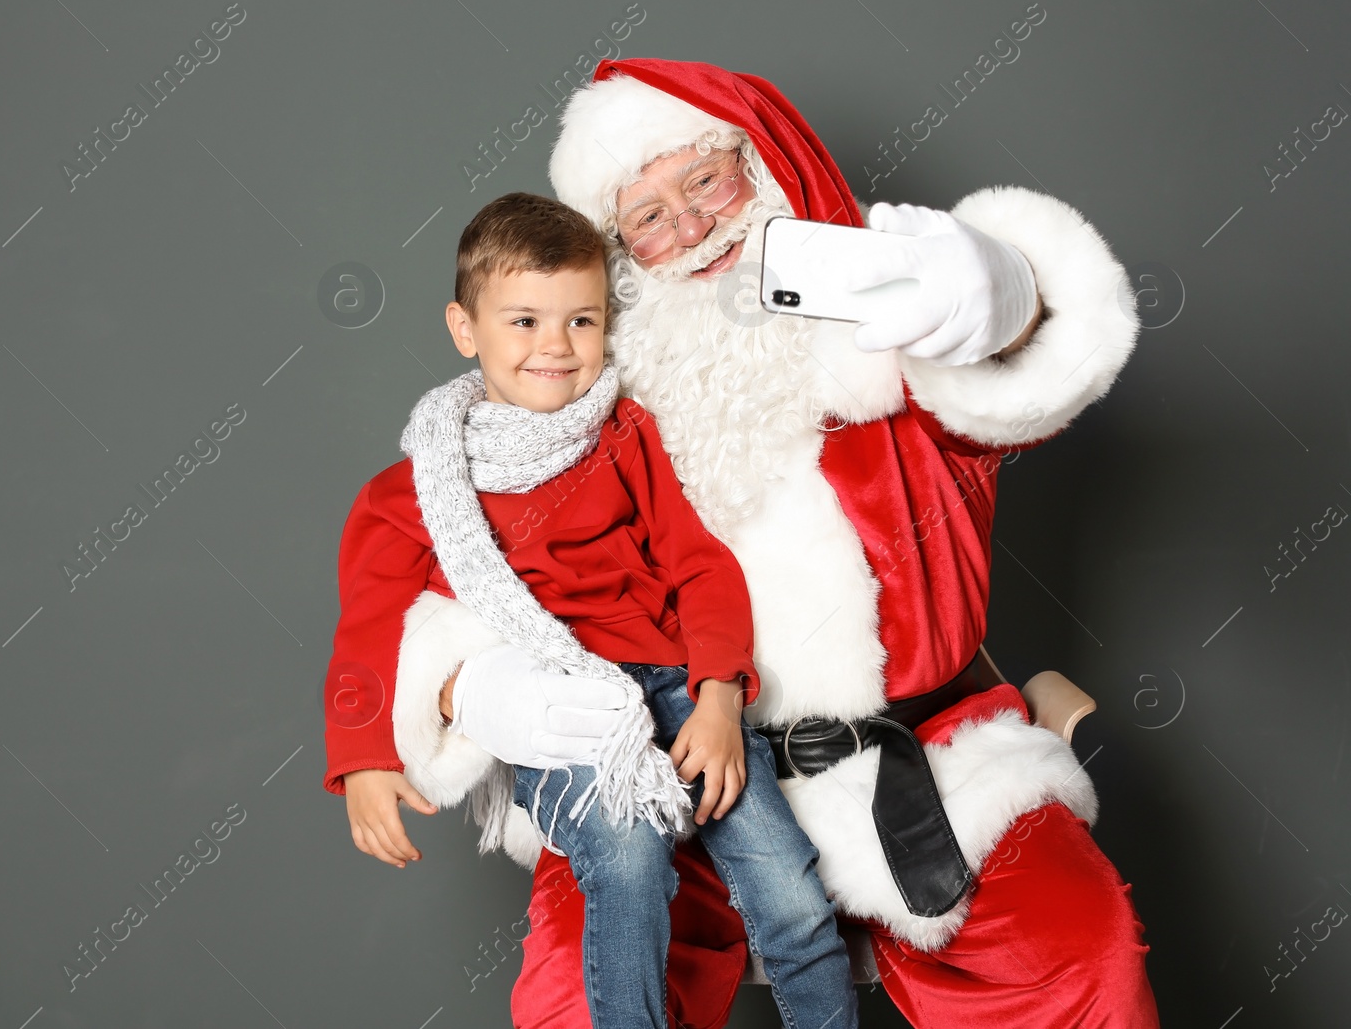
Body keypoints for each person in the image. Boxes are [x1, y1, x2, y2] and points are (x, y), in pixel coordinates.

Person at [375, 59, 1161, 1028]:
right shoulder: (586, 417)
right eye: (648, 217)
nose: (691, 230)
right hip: (677, 777)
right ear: (622, 258)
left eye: (705, 181)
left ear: (765, 168)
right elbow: (473, 570)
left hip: (928, 765)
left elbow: (1016, 379)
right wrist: (477, 686)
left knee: (1079, 957)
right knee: (576, 994)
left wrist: (998, 294)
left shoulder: (889, 343)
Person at [322, 191, 860, 1029]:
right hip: (562, 712)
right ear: (466, 330)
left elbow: (700, 567)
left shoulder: (621, 434)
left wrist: (719, 696)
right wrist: (362, 760)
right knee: (628, 862)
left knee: (791, 892)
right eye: (525, 321)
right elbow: (367, 635)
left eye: (581, 321)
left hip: (677, 687)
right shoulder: (410, 491)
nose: (556, 347)